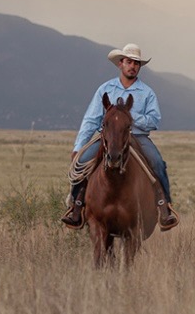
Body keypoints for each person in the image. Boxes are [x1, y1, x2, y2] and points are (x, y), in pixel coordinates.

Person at [61, 43, 179, 230]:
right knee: (82, 161)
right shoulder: (105, 89)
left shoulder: (146, 92)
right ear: (120, 64)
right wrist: (78, 146)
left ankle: (165, 207)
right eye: (129, 62)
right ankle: (76, 207)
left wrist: (130, 118)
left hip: (136, 137)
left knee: (157, 162)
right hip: (106, 137)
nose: (132, 66)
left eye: (136, 63)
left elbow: (154, 120)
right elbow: (91, 120)